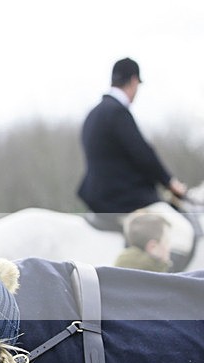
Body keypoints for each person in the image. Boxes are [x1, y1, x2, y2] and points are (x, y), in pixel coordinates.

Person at [77, 57, 193, 270]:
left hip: (98, 198)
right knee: (182, 230)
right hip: (125, 199)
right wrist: (170, 183)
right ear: (132, 81)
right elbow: (143, 156)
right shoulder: (118, 113)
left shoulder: (93, 114)